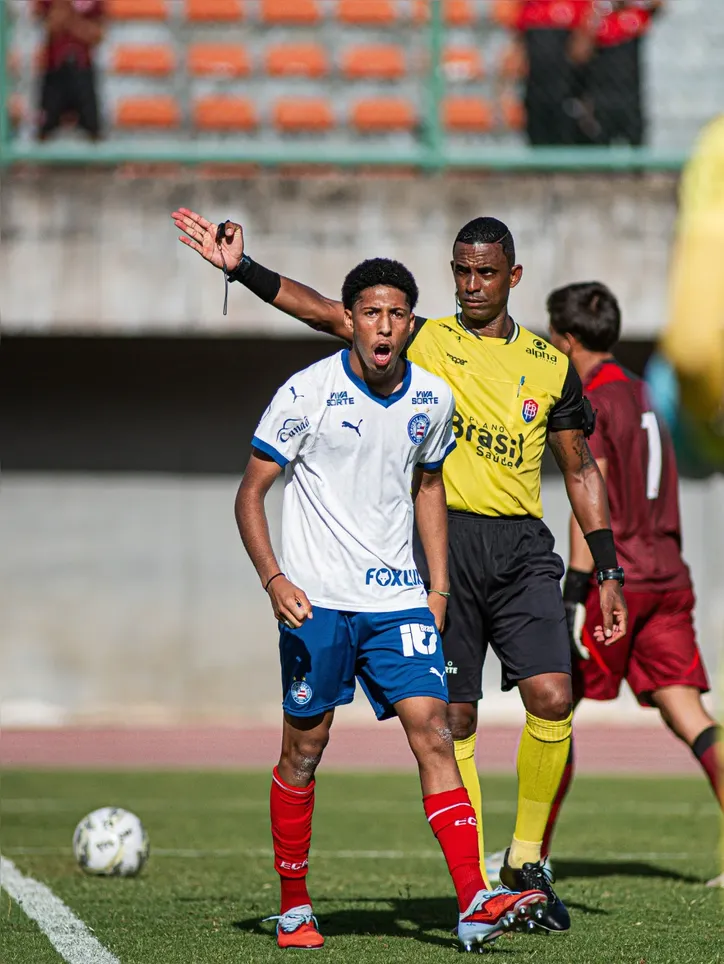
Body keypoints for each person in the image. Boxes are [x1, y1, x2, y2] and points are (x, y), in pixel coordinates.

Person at [172, 208, 629, 934]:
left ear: (513, 278)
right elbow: (329, 311)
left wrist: (606, 567)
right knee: (404, 726)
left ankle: (513, 870)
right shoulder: (420, 341)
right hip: (391, 570)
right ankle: (388, 893)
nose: (472, 284)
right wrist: (243, 271)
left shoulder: (544, 366)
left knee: (532, 700)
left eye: (486, 272)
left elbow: (577, 468)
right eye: (462, 271)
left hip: (494, 557)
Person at [235, 257, 547, 950]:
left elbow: (428, 489)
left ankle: (472, 902)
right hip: (317, 605)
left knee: (435, 732)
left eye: (396, 314)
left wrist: (436, 589)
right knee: (304, 751)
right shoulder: (306, 393)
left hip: (398, 603)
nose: (383, 325)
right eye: (370, 312)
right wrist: (275, 579)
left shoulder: (433, 399)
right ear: (348, 319)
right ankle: (293, 908)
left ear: (412, 323)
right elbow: (250, 492)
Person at [538, 281, 721, 874]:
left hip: (619, 582)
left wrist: (574, 593)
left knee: (554, 707)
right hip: (669, 575)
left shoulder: (591, 401)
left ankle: (528, 858)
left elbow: (591, 493)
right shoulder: (645, 394)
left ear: (566, 341)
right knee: (687, 713)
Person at [35, 0, 105, 142]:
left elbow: (97, 35)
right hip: (54, 67)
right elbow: (50, 27)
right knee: (44, 130)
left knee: (93, 129)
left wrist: (69, 20)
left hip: (83, 66)